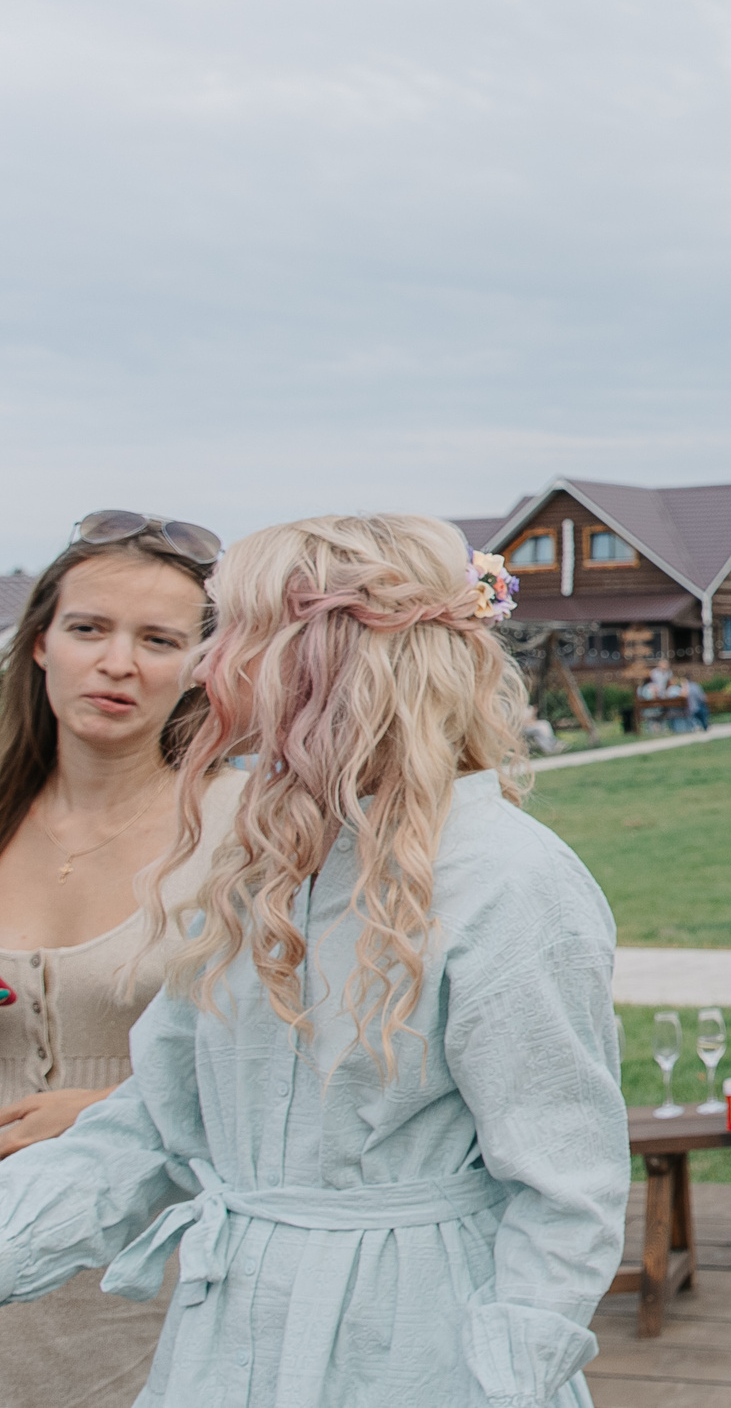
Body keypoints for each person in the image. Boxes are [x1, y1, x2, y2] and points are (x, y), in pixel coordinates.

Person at [0, 515, 628, 1407]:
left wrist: (511, 1377)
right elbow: (158, 1117)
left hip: (417, 1348)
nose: (205, 667)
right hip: (229, 1339)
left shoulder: (507, 880)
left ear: (326, 660)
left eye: (233, 635)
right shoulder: (256, 865)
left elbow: (568, 1191)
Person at [0, 514, 237, 1408]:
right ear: (40, 645)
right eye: (89, 628)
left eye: (159, 640)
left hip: (155, 1279)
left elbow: (313, 1075)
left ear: (202, 666)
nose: (118, 662)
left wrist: (115, 1108)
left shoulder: (248, 831)